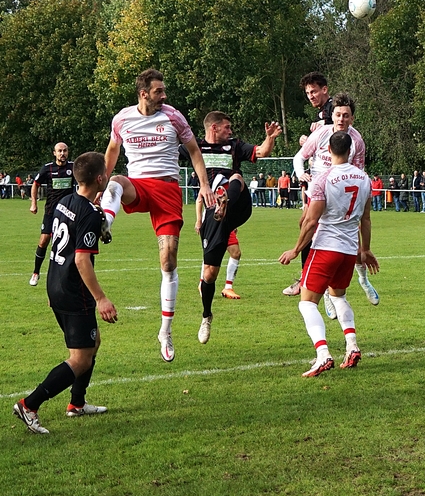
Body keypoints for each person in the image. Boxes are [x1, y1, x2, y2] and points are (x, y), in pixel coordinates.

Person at [99, 69, 214, 363]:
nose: (164, 95)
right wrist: (100, 185)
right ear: (143, 94)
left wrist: (204, 185)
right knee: (116, 182)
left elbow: (194, 151)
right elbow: (112, 151)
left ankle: (165, 331)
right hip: (138, 185)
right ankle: (104, 222)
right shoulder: (122, 119)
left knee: (168, 261)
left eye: (163, 90)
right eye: (158, 91)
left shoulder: (173, 116)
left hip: (167, 189)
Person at [13, 152, 118, 434]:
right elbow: (82, 260)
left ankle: (77, 403)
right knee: (80, 358)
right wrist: (101, 299)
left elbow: (58, 245)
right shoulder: (89, 213)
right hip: (74, 290)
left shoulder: (65, 201)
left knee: (92, 344)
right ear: (100, 178)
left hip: (56, 283)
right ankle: (29, 405)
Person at [279, 131, 378, 376]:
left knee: (307, 303)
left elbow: (311, 221)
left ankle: (323, 354)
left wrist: (295, 250)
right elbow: (366, 219)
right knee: (338, 297)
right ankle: (352, 345)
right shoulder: (364, 178)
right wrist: (365, 249)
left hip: (326, 247)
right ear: (351, 151)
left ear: (329, 150)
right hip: (349, 250)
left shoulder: (323, 179)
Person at [184, 111, 280, 344]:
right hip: (213, 216)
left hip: (237, 206)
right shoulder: (195, 146)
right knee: (209, 274)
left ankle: (224, 199)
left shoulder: (235, 145)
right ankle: (206, 316)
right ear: (214, 128)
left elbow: (262, 151)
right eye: (227, 127)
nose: (230, 131)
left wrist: (270, 137)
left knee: (237, 176)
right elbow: (166, 152)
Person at [290, 75, 379, 308]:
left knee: (351, 236)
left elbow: (358, 171)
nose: (341, 119)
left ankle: (362, 279)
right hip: (319, 191)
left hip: (343, 193)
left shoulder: (357, 140)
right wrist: (301, 174)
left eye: (346, 115)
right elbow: (299, 157)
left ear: (352, 118)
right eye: (338, 114)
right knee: (308, 226)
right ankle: (320, 287)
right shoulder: (321, 134)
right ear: (333, 115)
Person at [28, 143, 76, 287]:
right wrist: (34, 203)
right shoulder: (47, 168)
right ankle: (36, 272)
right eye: (59, 151)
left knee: (68, 243)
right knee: (44, 240)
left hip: (68, 211)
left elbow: (83, 182)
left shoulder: (73, 167)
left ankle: (68, 276)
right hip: (51, 211)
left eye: (65, 151)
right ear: (54, 153)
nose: (62, 153)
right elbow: (35, 184)